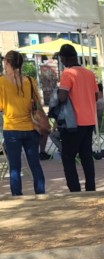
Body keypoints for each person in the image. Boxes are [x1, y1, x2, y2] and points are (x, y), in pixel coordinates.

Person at [0, 50, 45, 196]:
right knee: (35, 165)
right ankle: (41, 194)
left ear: (7, 62)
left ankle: (17, 197)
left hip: (11, 128)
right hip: (31, 127)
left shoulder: (1, 82)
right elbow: (37, 103)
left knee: (14, 167)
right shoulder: (30, 81)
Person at [57, 43, 99, 192]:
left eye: (61, 58)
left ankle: (74, 189)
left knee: (68, 157)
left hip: (73, 123)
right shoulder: (89, 73)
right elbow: (95, 96)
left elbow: (62, 97)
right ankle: (90, 188)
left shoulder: (68, 73)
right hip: (89, 121)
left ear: (64, 58)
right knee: (86, 157)